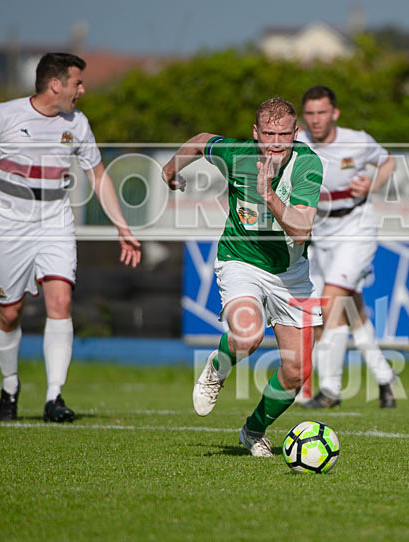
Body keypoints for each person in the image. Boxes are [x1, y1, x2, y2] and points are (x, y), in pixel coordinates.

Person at [0, 52, 142, 423]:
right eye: (77, 82)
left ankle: (54, 397)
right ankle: (10, 385)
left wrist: (122, 226)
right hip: (7, 225)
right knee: (9, 312)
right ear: (56, 84)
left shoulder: (78, 123)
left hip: (55, 219)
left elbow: (98, 175)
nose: (82, 90)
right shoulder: (3, 115)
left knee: (61, 298)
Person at [161, 97, 323, 457]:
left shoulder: (308, 164)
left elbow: (300, 230)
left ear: (296, 134)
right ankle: (218, 368)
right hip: (240, 260)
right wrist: (171, 170)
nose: (276, 143)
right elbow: (201, 141)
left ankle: (253, 431)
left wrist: (268, 196)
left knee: (296, 372)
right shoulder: (238, 154)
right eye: (268, 134)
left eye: (284, 134)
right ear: (255, 133)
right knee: (248, 335)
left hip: (291, 274)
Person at [296, 85, 398, 409]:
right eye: (310, 113)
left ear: (335, 113)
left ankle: (330, 390)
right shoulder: (297, 143)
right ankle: (386, 378)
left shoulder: (357, 140)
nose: (316, 119)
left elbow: (388, 162)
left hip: (356, 226)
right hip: (320, 234)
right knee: (352, 309)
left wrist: (373, 183)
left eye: (322, 112)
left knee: (331, 304)